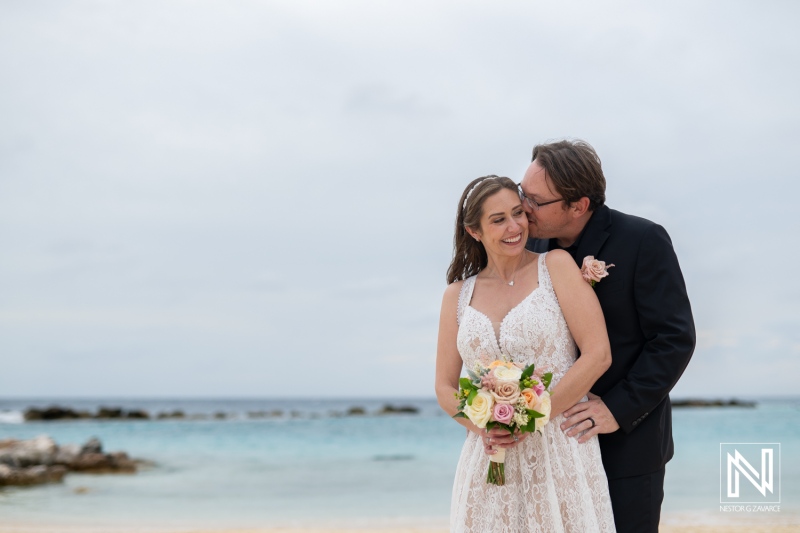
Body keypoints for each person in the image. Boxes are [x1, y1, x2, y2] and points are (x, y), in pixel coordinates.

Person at [521, 140, 696, 533]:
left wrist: (616, 408)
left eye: (535, 200)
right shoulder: (529, 247)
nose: (523, 208)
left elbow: (674, 339)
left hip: (627, 449)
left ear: (578, 205)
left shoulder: (643, 240)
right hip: (551, 447)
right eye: (522, 193)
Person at [435, 175, 616, 532]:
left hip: (560, 448)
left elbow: (598, 354)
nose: (514, 226)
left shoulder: (557, 266)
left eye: (518, 213)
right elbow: (443, 386)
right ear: (474, 231)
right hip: (488, 458)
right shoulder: (456, 296)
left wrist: (534, 416)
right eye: (498, 219)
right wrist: (485, 429)